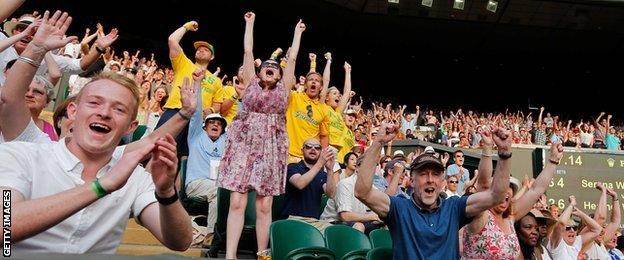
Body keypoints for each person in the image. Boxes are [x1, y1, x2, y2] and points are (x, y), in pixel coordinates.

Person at [0, 10, 192, 253]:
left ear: (131, 127)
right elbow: (3, 228)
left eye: (119, 109)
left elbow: (180, 242)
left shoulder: (134, 177)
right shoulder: (23, 155)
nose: (104, 113)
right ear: (72, 111)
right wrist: (101, 187)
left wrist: (166, 192)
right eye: (94, 103)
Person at [354, 121, 512, 259]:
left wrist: (504, 153)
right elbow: (362, 192)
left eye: (436, 174)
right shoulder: (399, 208)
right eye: (423, 174)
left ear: (442, 181)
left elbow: (496, 196)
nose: (430, 179)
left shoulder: (454, 208)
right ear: (412, 180)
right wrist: (378, 142)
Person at [216, 12, 301, 258]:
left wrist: (297, 33)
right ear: (259, 71)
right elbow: (247, 50)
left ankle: (262, 254)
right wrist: (249, 23)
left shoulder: (285, 89)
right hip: (243, 142)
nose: (271, 68)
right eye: (267, 66)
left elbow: (293, 56)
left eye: (275, 67)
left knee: (264, 205)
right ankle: (230, 255)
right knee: (237, 201)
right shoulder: (250, 82)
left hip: (271, 146)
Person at [462, 128, 564, 259]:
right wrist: (488, 148)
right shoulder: (481, 215)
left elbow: (536, 190)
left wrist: (553, 161)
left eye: (510, 190)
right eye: (502, 188)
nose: (506, 192)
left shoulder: (510, 217)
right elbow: (483, 185)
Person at [156, 19, 223, 157]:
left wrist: (208, 110)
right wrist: (186, 27)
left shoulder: (216, 81)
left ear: (212, 57)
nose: (201, 51)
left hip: (197, 121)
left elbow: (218, 104)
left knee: (185, 157)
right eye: (199, 49)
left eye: (206, 50)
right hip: (175, 111)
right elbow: (172, 40)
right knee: (158, 148)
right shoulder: (184, 63)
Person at [183, 69, 228, 247]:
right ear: (205, 125)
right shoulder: (196, 135)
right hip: (196, 183)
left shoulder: (225, 141)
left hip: (217, 184)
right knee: (217, 190)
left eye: (219, 123)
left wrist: (239, 98)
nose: (216, 124)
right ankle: (210, 235)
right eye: (212, 122)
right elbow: (196, 111)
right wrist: (198, 83)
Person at [280, 139, 338, 233]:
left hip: (314, 222)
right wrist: (320, 163)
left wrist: (330, 170)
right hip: (292, 219)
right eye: (308, 146)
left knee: (335, 233)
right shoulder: (293, 167)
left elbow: (331, 194)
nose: (313, 149)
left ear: (320, 151)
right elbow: (300, 184)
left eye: (317, 147)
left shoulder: (322, 174)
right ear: (302, 150)